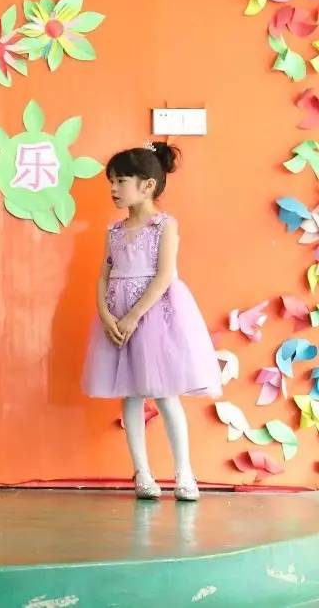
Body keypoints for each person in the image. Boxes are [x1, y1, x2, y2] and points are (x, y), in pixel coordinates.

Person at [82, 142, 219, 502]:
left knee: (164, 393)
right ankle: (142, 473)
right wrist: (105, 313)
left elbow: (164, 275)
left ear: (147, 185)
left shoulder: (164, 225)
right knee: (130, 393)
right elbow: (102, 276)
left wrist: (132, 316)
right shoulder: (114, 230)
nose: (113, 188)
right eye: (111, 181)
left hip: (153, 314)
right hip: (117, 314)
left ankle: (184, 473)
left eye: (120, 180)